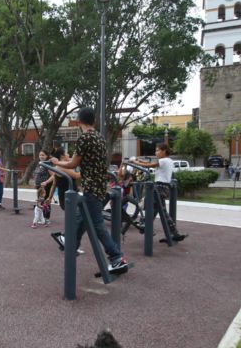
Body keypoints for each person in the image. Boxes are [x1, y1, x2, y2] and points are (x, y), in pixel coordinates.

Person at [50, 107, 128, 275]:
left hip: (91, 186)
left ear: (79, 122)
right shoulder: (99, 137)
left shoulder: (84, 138)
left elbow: (72, 164)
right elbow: (81, 160)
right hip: (100, 185)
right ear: (93, 120)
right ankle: (71, 242)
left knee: (97, 224)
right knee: (83, 216)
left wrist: (57, 162)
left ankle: (116, 258)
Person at [132, 143, 187, 242]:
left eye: (157, 150)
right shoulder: (169, 161)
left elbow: (150, 165)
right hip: (164, 187)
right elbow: (151, 164)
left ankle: (144, 224)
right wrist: (139, 160)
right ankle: (147, 225)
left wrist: (135, 162)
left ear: (164, 150)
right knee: (157, 209)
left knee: (150, 205)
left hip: (159, 187)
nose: (155, 152)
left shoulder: (163, 160)